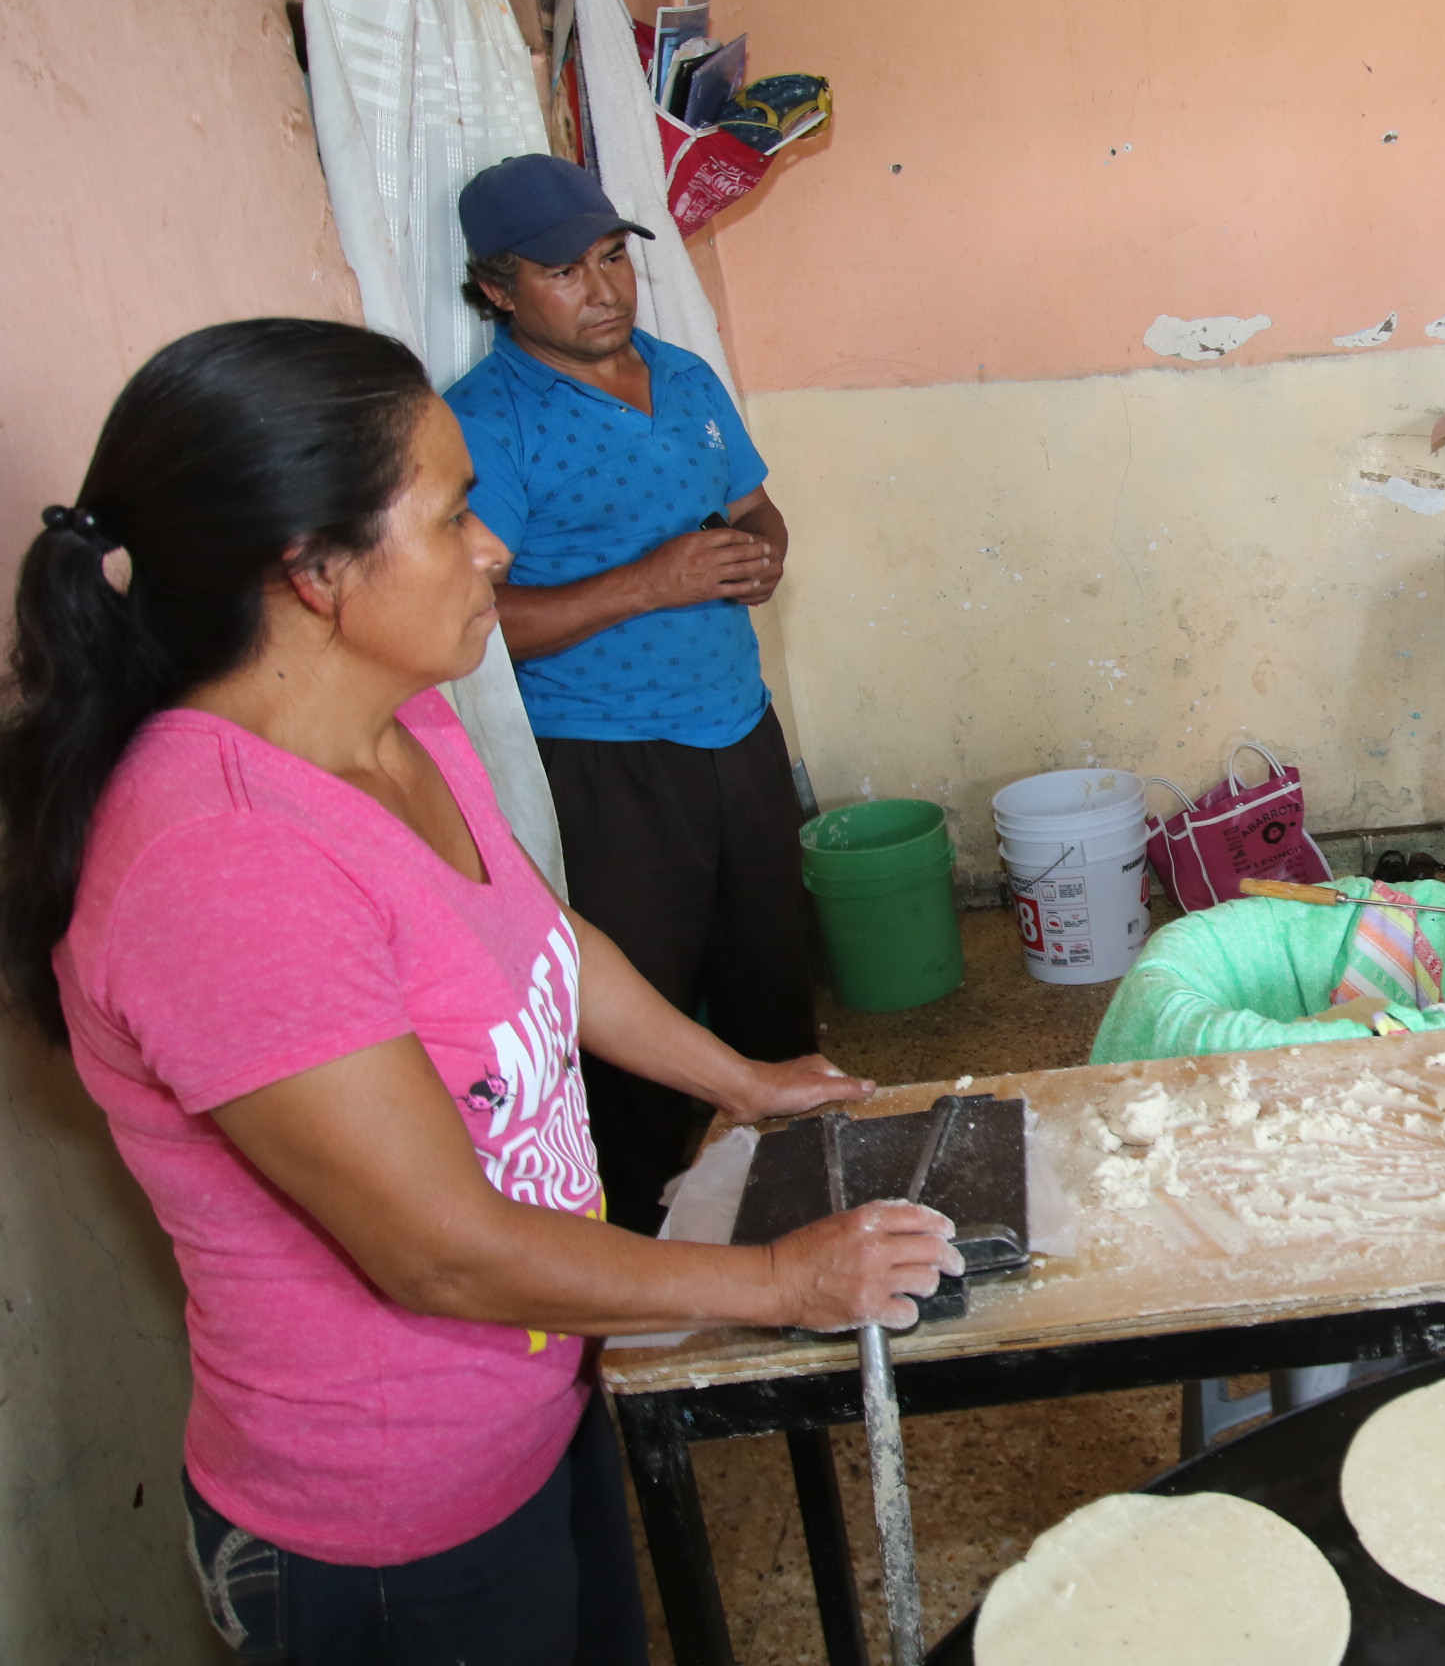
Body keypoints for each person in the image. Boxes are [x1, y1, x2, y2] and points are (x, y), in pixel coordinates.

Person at [0, 319, 960, 1663]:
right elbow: (439, 1249)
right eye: (453, 517)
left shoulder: (398, 717)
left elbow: (541, 941)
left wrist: (737, 1080)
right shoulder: (220, 859)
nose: (494, 548)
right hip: (388, 1523)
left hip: (535, 1395)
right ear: (314, 572)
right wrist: (779, 1282)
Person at [446, 153, 812, 1233]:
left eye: (612, 258)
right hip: (608, 761)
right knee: (638, 1023)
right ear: (496, 289)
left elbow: (754, 507)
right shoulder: (485, 422)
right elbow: (474, 622)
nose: (603, 290)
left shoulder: (682, 376)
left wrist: (763, 553)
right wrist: (652, 582)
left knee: (773, 987)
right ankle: (650, 1251)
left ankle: (799, 1211)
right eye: (564, 271)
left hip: (738, 728)